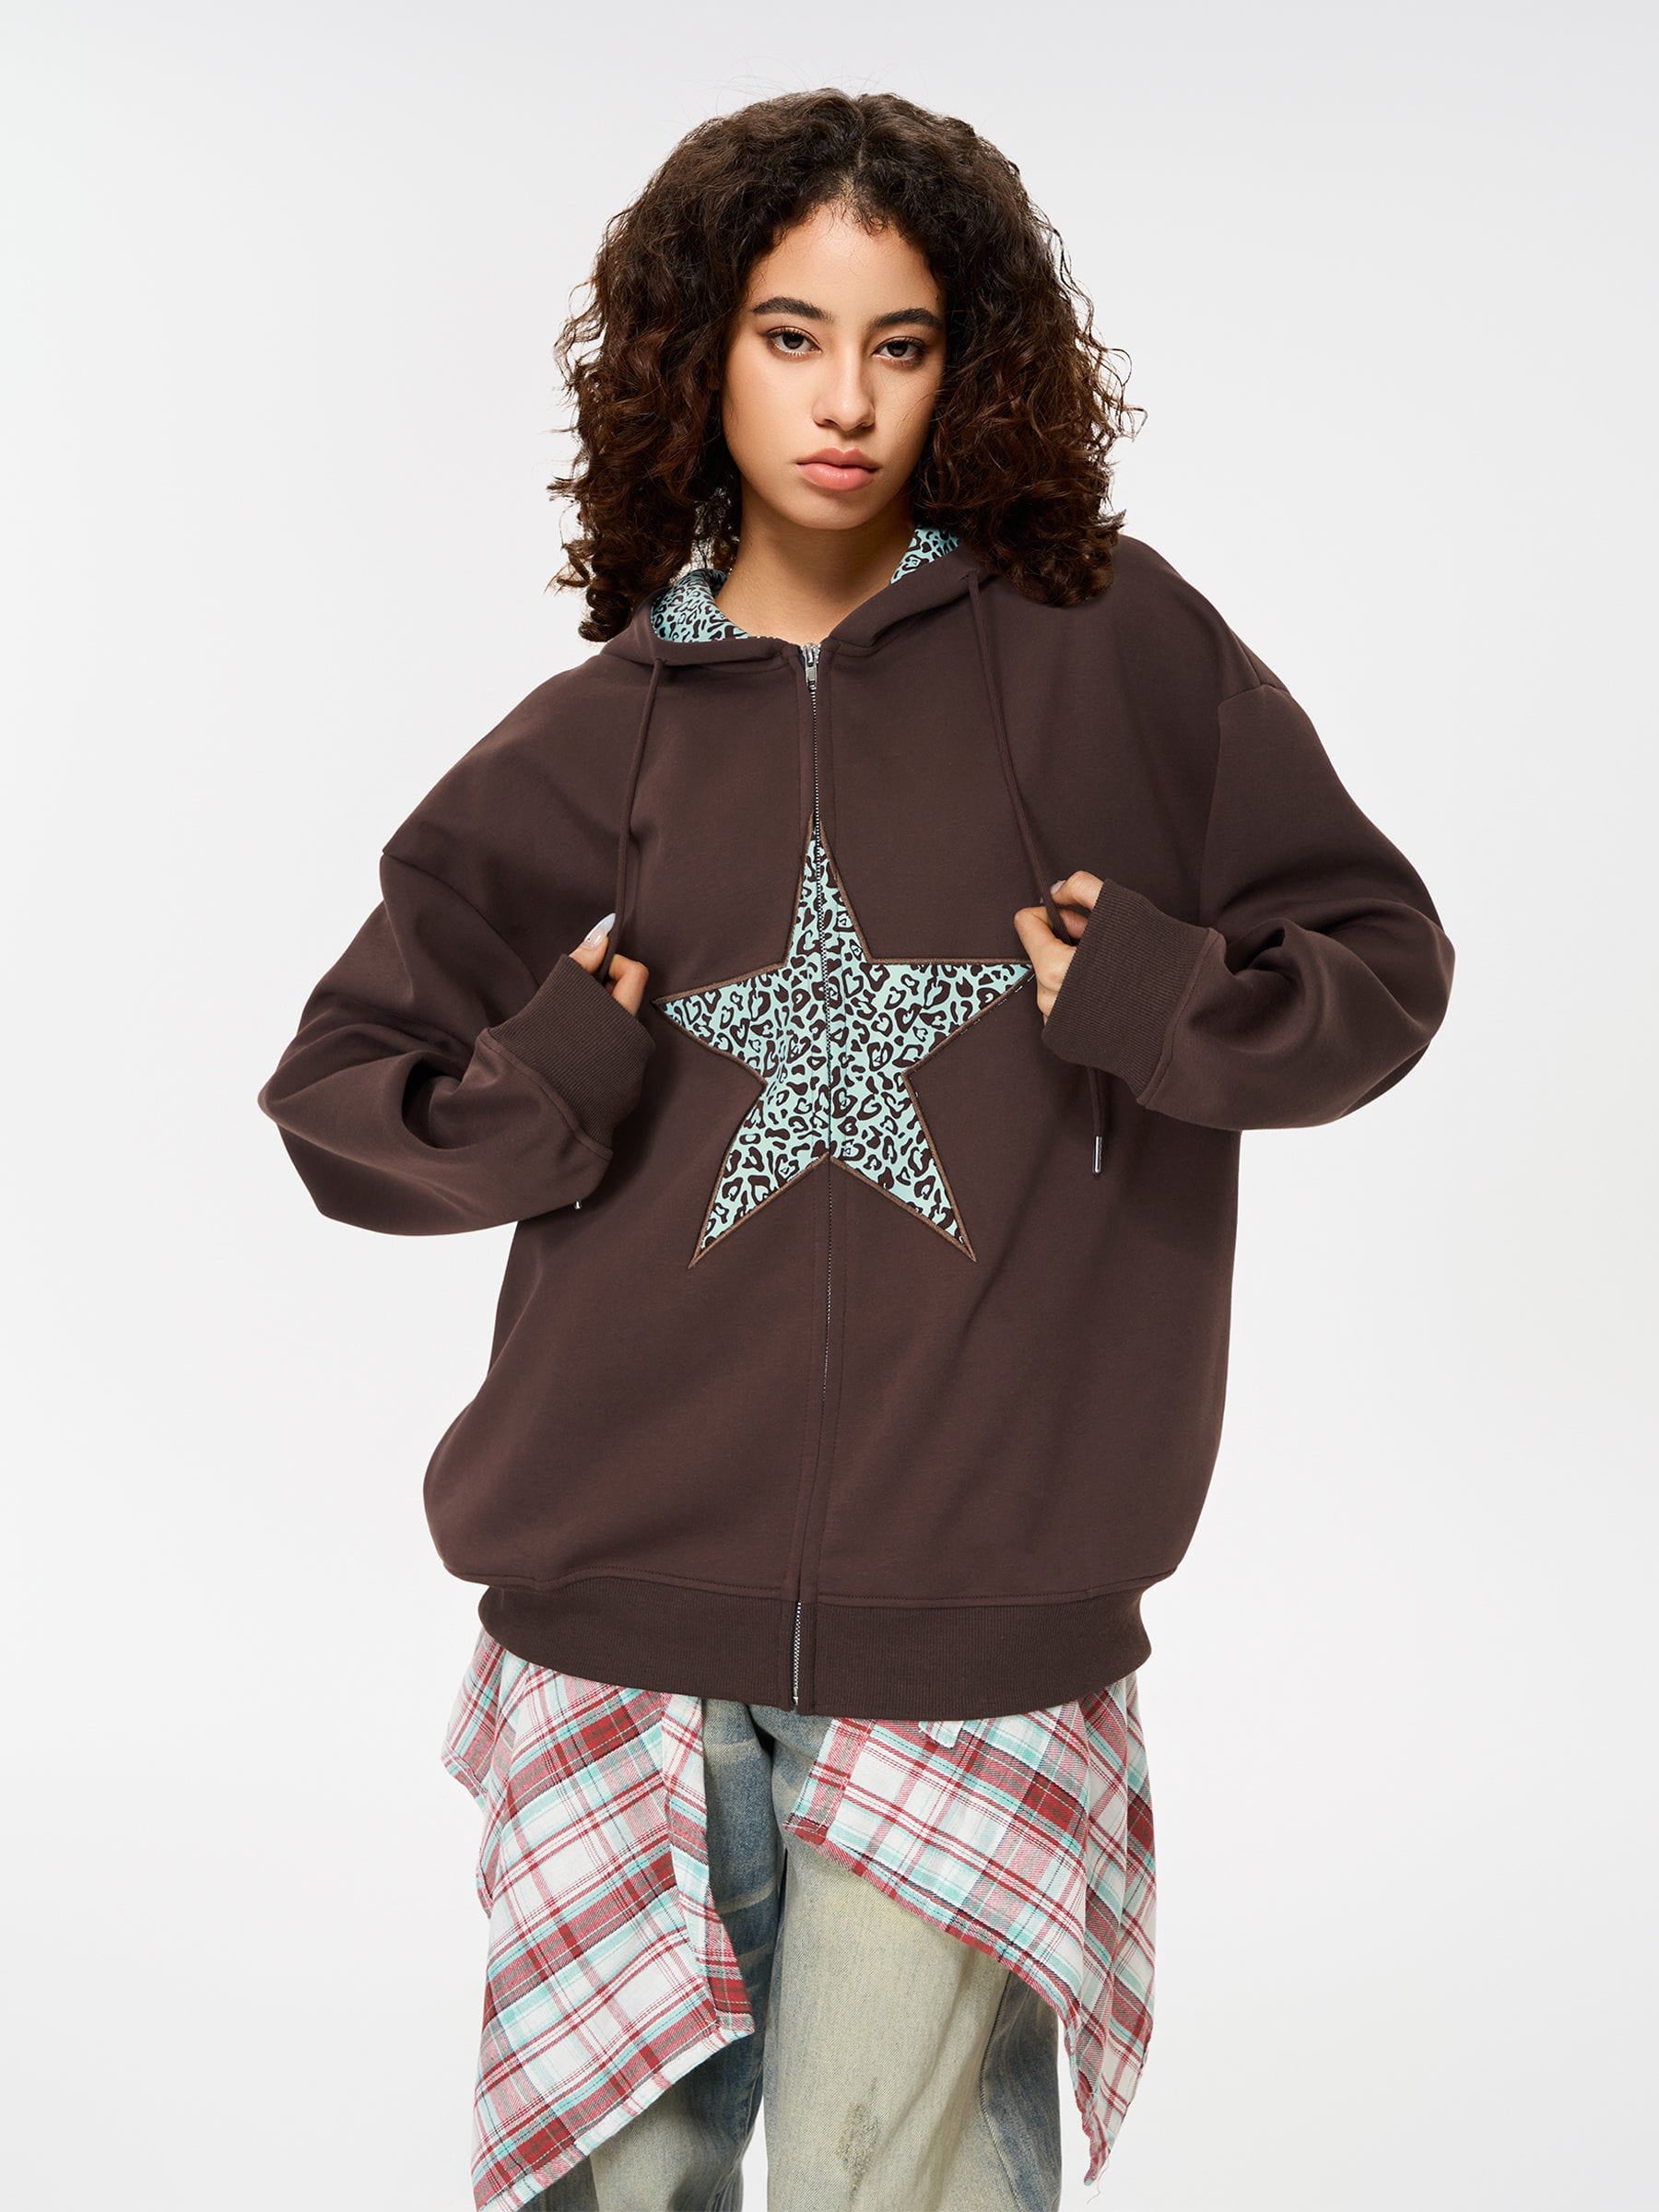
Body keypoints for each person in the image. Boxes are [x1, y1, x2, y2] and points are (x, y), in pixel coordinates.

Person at [257, 87, 1454, 2212]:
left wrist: (1155, 996)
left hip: (981, 1625)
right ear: (698, 356)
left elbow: (1378, 965)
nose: (845, 403)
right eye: (791, 337)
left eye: (900, 344)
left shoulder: (1110, 651)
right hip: (614, 1635)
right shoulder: (596, 735)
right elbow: (347, 1101)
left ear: (966, 365)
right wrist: (552, 1083)